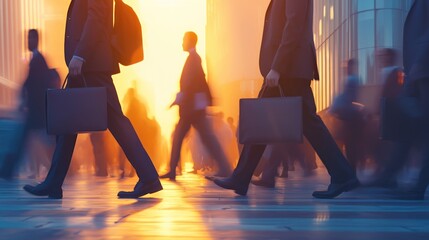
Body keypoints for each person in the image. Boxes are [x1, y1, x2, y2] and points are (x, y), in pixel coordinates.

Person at [213, 0, 358, 198]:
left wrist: (277, 67)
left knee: (282, 120)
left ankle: (342, 174)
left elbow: (294, 26)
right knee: (267, 121)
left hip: (289, 69)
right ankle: (241, 176)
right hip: (289, 68)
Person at [22, 0, 162, 199]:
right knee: (68, 124)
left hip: (91, 64)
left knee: (117, 122)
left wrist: (80, 55)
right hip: (87, 65)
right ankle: (53, 183)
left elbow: (96, 17)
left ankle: (148, 177)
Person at [159, 31, 232, 180]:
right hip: (192, 109)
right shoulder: (193, 59)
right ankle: (173, 169)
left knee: (201, 138)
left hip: (192, 110)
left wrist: (179, 99)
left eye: (183, 39)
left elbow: (191, 85)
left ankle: (225, 168)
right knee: (188, 137)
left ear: (190, 41)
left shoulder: (194, 59)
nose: (182, 42)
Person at [0, 29, 56, 179]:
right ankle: (8, 170)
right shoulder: (36, 59)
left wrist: (26, 100)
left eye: (31, 39)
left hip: (36, 110)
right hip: (36, 110)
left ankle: (8, 170)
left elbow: (37, 84)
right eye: (27, 38)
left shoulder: (38, 60)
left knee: (28, 139)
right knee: (33, 140)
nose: (28, 42)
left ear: (36, 40)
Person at [388, 0, 429, 200]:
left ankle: (418, 183)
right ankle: (392, 174)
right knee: (416, 124)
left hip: (424, 70)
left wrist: (419, 64)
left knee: (422, 126)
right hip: (419, 70)